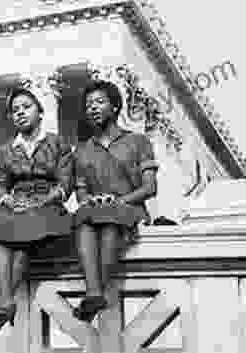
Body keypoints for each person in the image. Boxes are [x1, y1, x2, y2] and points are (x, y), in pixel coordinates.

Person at [0, 88, 74, 330]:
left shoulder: (57, 143)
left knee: (19, 231)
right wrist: (10, 201)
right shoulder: (4, 150)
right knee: (0, 225)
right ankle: (7, 300)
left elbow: (65, 184)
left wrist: (40, 202)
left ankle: (5, 301)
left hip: (48, 205)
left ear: (40, 112)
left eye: (26, 107)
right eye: (15, 110)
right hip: (16, 205)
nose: (20, 113)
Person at [71, 80, 158, 322]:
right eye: (88, 105)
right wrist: (92, 199)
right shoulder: (82, 150)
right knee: (83, 219)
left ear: (116, 107)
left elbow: (150, 188)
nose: (93, 108)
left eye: (99, 102)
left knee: (109, 223)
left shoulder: (138, 141)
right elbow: (80, 192)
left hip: (130, 210)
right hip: (97, 212)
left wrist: (118, 201)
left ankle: (95, 292)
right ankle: (95, 293)